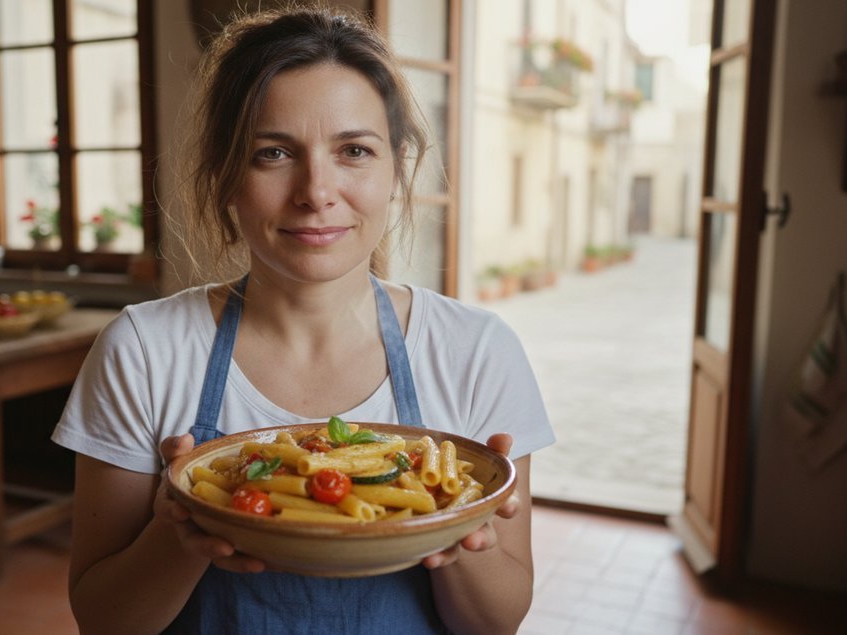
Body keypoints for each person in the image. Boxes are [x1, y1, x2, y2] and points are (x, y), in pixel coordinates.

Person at [52, 6, 554, 634]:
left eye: (354, 150)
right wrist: (177, 535)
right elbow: (104, 620)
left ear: (396, 167)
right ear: (227, 175)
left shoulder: (478, 351)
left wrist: (460, 537)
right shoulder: (144, 350)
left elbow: (496, 623)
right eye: (273, 153)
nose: (316, 190)